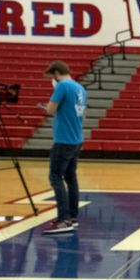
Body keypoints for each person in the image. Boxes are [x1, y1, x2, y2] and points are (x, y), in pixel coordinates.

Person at [40, 60, 87, 235]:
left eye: (52, 77)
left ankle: (63, 219)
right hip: (76, 138)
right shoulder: (80, 88)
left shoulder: (62, 86)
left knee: (55, 176)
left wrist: (49, 104)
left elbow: (50, 110)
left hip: (64, 139)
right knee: (70, 177)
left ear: (56, 73)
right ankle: (72, 217)